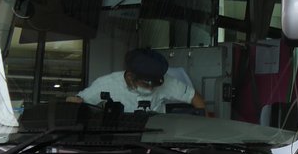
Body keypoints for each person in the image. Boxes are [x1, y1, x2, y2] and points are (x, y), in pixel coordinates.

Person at [69, 48, 204, 114]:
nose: (151, 88)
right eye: (146, 83)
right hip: (121, 141)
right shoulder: (106, 84)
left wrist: (205, 127)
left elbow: (195, 98)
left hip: (155, 140)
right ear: (130, 77)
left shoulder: (165, 81)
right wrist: (75, 101)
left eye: (155, 83)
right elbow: (79, 101)